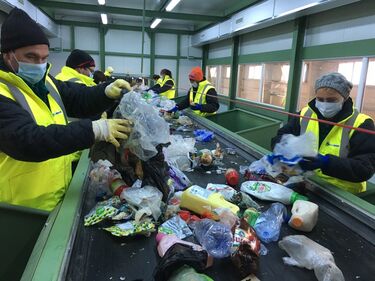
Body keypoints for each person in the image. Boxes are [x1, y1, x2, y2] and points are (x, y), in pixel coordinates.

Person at [0, 8, 132, 211]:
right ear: (8, 56)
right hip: (21, 208)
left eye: (44, 58)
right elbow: (27, 140)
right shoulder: (3, 91)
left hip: (56, 195)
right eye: (31, 57)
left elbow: (77, 97)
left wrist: (105, 92)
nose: (40, 64)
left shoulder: (45, 82)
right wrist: (95, 129)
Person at [271, 72, 375, 193]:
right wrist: (287, 148)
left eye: (331, 100)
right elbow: (278, 138)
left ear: (344, 98)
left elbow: (364, 169)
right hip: (306, 184)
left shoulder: (361, 123)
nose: (325, 104)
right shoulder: (305, 114)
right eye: (320, 99)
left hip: (342, 195)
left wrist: (326, 163)